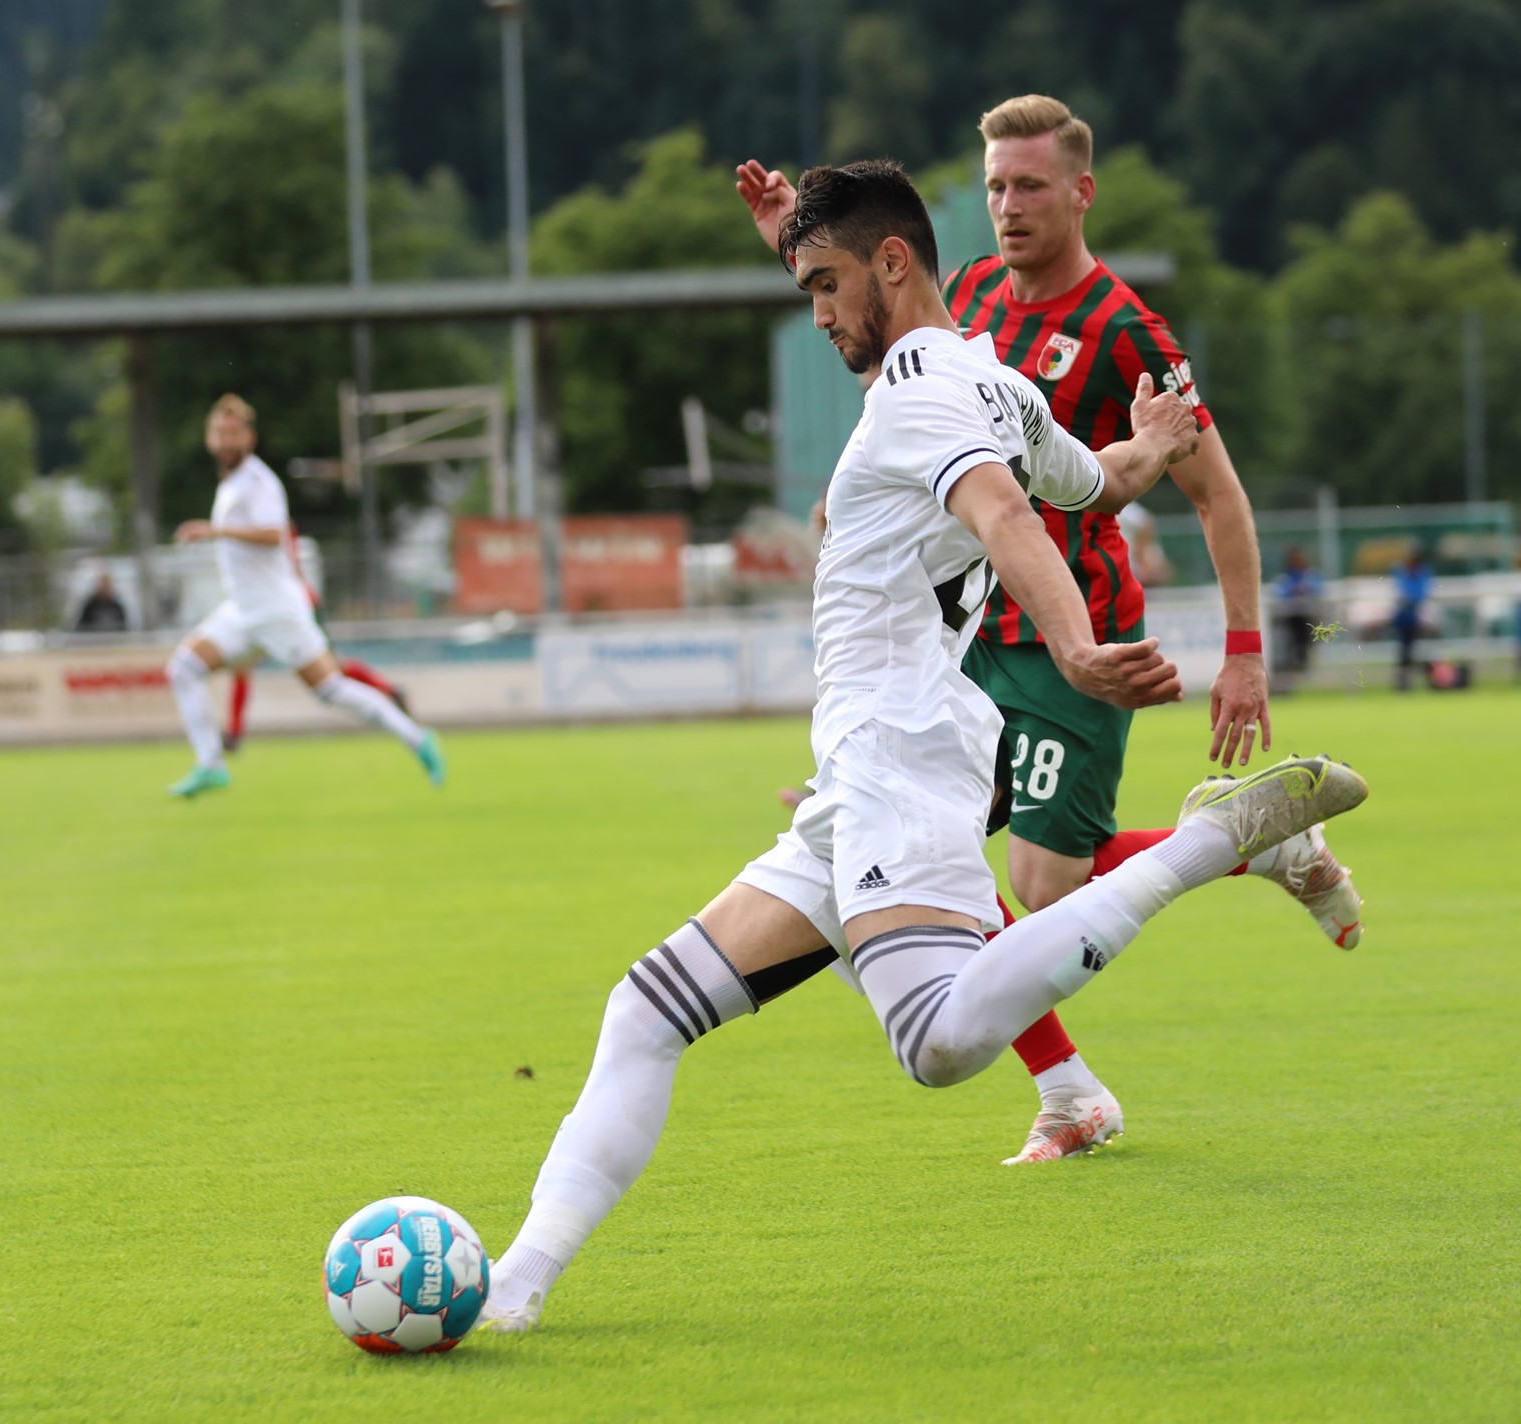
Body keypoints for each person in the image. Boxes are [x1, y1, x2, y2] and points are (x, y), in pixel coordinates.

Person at [479, 159, 1369, 1335]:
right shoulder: (985, 379)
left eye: (825, 285)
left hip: (900, 750)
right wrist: (1149, 440)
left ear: (892, 263)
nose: (817, 313)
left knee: (939, 1043)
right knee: (645, 1011)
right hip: (862, 773)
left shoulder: (920, 388)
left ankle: (1208, 839)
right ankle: (511, 1292)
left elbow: (1006, 515)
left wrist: (1077, 649)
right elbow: (1093, 483)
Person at [737, 96, 1363, 1165]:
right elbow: (901, 372)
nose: (1006, 206)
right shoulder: (965, 289)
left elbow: (1215, 495)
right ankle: (1070, 1090)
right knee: (913, 863)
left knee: (1039, 889)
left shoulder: (1126, 329)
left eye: (1028, 186)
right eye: (991, 186)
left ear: (1079, 191)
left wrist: (1244, 652)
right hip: (969, 639)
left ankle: (1245, 846)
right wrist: (804, 232)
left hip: (1074, 639)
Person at [162, 393, 445, 798]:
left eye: (234, 433)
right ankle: (211, 764)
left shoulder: (259, 481)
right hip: (243, 610)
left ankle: (419, 739)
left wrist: (214, 531)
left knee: (332, 690)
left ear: (250, 438)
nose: (226, 441)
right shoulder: (231, 483)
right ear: (210, 439)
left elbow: (272, 534)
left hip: (278, 610)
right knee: (183, 669)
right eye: (220, 433)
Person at [221, 525, 409, 755]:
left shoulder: (267, 523)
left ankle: (389, 691)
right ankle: (234, 733)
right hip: (283, 603)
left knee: (329, 669)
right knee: (242, 666)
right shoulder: (267, 518)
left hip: (289, 605)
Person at [1274, 547, 1324, 675]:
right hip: (1291, 618)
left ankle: (1305, 668)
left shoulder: (1310, 575)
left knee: (1307, 643)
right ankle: (1291, 668)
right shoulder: (1285, 576)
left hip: (1308, 616)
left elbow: (1318, 589)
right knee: (1291, 643)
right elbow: (1280, 592)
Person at [1391, 548, 1432, 689]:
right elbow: (1403, 592)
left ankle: (1430, 679)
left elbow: (1421, 592)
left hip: (1419, 617)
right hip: (1405, 618)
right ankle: (1403, 681)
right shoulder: (1402, 572)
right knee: (1405, 650)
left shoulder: (1422, 572)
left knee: (1421, 649)